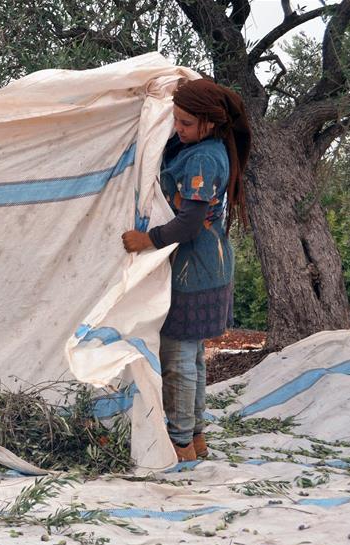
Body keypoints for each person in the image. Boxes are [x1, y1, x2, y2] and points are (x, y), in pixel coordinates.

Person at [121, 78, 252, 462]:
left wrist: (147, 240)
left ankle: (179, 445)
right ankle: (195, 438)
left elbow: (189, 223)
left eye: (185, 123)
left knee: (178, 359)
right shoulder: (204, 147)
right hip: (209, 265)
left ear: (210, 124)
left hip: (192, 270)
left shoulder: (203, 159)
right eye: (175, 120)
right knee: (192, 356)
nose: (177, 129)